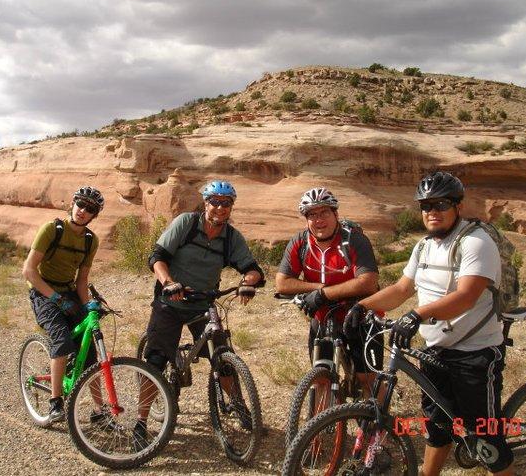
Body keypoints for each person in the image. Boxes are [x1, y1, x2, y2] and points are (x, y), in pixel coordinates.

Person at [344, 171, 514, 476]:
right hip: (435, 350)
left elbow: (466, 297)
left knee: (485, 439)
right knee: (436, 425)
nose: (431, 212)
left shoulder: (476, 243)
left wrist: (418, 315)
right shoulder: (423, 247)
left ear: (458, 206)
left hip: (475, 352)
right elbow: (401, 290)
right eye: (425, 206)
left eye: (440, 204)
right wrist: (361, 305)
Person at [140, 180, 264, 445]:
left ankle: (240, 408)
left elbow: (252, 268)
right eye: (214, 202)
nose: (220, 208)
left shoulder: (231, 237)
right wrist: (169, 282)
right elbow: (157, 256)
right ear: (205, 203)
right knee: (156, 360)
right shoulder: (186, 224)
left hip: (203, 304)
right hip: (170, 302)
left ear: (231, 207)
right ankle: (140, 421)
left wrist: (248, 283)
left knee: (223, 356)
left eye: (226, 203)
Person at [275, 187, 382, 397]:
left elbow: (368, 282)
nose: (318, 220)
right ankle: (324, 427)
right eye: (312, 215)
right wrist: (318, 289)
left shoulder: (354, 240)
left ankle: (376, 427)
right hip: (323, 317)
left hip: (361, 315)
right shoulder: (300, 242)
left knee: (368, 380)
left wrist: (323, 295)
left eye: (324, 212)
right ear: (306, 220)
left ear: (336, 215)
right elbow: (282, 283)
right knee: (321, 377)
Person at [22, 186, 104, 423]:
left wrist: (88, 306)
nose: (83, 211)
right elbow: (28, 271)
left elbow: (82, 280)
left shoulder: (91, 241)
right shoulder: (52, 229)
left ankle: (99, 411)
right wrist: (55, 298)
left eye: (90, 209)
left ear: (93, 215)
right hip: (42, 291)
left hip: (68, 292)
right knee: (62, 339)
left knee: (89, 345)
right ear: (72, 204)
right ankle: (56, 403)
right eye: (80, 204)